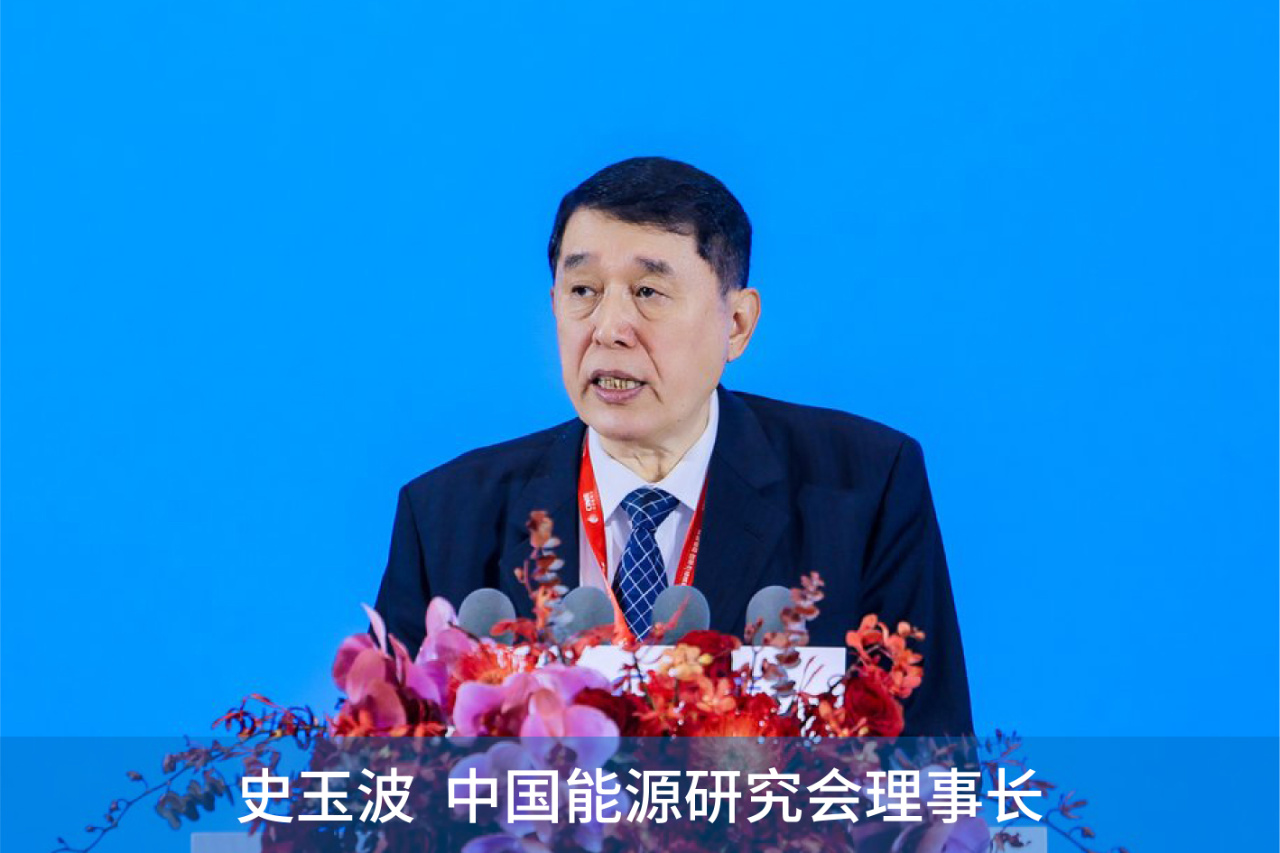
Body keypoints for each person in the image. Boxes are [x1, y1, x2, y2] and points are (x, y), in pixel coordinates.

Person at [374, 156, 973, 736]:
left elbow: (929, 769)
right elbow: (387, 776)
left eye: (648, 292)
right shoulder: (444, 516)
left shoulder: (865, 488)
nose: (609, 329)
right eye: (583, 290)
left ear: (736, 324)